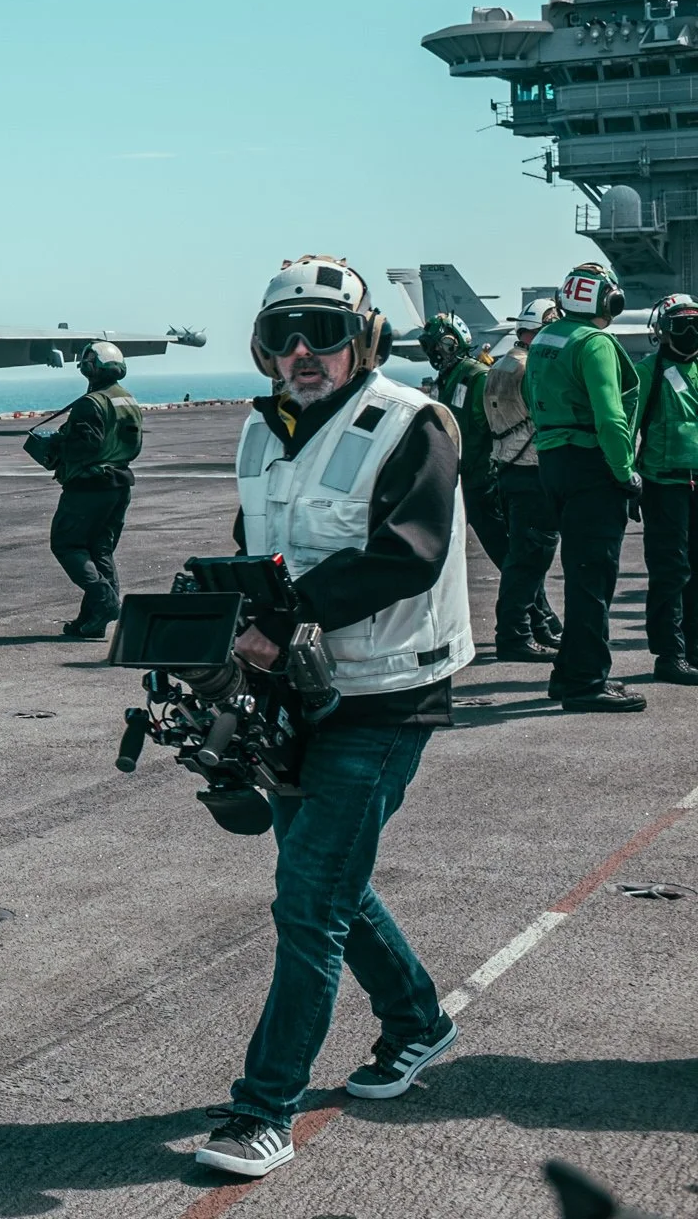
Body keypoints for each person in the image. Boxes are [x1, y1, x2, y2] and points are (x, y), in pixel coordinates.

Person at [195, 256, 464, 1181]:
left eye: (325, 333)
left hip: (385, 694)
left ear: (366, 340)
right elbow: (259, 540)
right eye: (284, 335)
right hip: (294, 692)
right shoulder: (260, 430)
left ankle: (262, 1111)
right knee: (330, 878)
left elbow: (408, 555)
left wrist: (283, 619)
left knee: (309, 901)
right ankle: (418, 1021)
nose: (304, 351)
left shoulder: (414, 424)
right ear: (263, 349)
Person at [528, 262, 647, 712]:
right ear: (608, 301)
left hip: (553, 461)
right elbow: (611, 417)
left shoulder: (546, 337)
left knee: (580, 574)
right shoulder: (594, 342)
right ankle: (586, 683)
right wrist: (625, 471)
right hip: (590, 466)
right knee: (593, 579)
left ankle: (569, 673)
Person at [483, 299, 565, 660]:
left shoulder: (500, 364)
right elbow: (550, 413)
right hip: (533, 469)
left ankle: (538, 626)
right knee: (531, 559)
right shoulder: (532, 368)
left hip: (507, 468)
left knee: (525, 557)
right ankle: (514, 635)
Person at [49, 340, 143, 637]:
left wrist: (58, 443)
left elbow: (85, 445)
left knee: (67, 544)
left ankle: (105, 601)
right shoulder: (127, 399)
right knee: (100, 549)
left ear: (93, 367)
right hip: (119, 483)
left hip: (88, 486)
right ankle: (92, 621)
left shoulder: (91, 403)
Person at [420, 312, 510, 584]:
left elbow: (498, 428)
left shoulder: (478, 377)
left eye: (437, 347)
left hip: (482, 483)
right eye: (429, 348)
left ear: (452, 343)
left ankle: (537, 612)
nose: (434, 354)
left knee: (508, 559)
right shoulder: (447, 379)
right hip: (457, 482)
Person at [636, 293, 698, 685]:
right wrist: (626, 478)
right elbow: (628, 426)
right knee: (671, 570)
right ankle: (670, 654)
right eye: (681, 325)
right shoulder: (647, 371)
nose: (690, 332)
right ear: (662, 330)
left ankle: (694, 649)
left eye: (696, 324)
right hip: (663, 484)